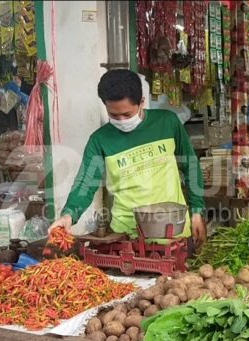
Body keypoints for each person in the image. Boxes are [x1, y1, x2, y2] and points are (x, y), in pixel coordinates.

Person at [49, 69, 206, 247]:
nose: (122, 120)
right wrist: (68, 215)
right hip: (126, 236)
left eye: (127, 114)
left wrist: (197, 211)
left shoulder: (167, 123)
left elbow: (191, 166)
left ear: (142, 102)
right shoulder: (99, 140)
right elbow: (86, 183)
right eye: (114, 115)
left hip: (174, 233)